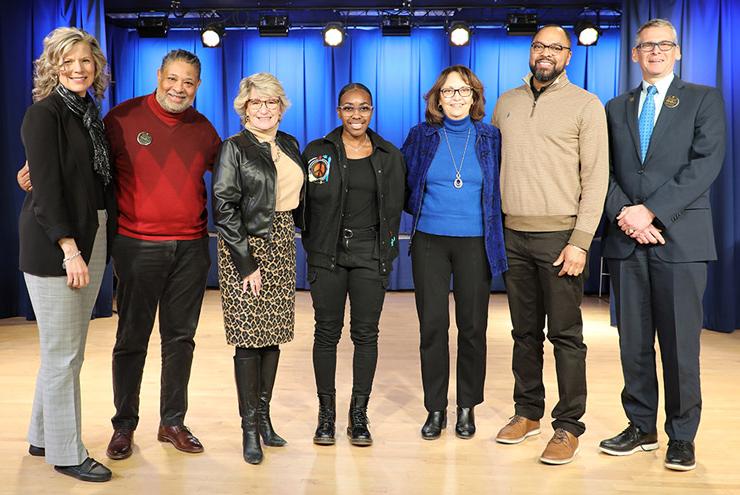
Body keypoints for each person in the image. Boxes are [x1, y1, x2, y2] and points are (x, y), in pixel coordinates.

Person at [599, 19, 725, 472]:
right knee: (632, 343)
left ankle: (682, 436)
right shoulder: (615, 107)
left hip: (680, 240)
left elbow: (705, 164)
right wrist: (625, 214)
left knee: (678, 346)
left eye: (664, 44)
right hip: (626, 239)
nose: (654, 51)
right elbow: (602, 171)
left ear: (677, 52)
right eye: (646, 45)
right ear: (634, 54)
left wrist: (649, 211)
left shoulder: (702, 99)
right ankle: (640, 427)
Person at [491, 25, 608, 465]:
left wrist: (580, 241)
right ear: (530, 51)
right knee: (523, 333)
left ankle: (568, 425)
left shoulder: (586, 105)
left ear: (569, 56)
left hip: (561, 237)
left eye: (556, 47)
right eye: (539, 45)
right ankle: (527, 412)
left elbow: (596, 178)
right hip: (512, 235)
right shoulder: (507, 102)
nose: (546, 53)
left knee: (565, 334)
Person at [103, 50, 221, 459]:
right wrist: (36, 175)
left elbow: (232, 179)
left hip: (191, 247)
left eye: (188, 82)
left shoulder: (204, 129)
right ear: (159, 76)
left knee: (180, 339)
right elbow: (86, 169)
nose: (179, 88)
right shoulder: (122, 119)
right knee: (132, 338)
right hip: (137, 245)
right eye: (173, 79)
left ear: (197, 86)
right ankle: (123, 426)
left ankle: (172, 421)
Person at [19, 27, 117, 482]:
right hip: (58, 244)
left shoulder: (88, 114)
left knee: (66, 351)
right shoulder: (44, 114)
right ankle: (66, 452)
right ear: (52, 67)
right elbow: (48, 191)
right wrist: (69, 249)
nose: (78, 69)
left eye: (85, 61)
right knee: (63, 355)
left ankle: (42, 435)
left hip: (91, 234)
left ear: (96, 66)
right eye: (68, 61)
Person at [402, 66, 507, 441]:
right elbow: (404, 183)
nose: (457, 98)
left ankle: (466, 408)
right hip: (430, 240)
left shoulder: (491, 137)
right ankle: (435, 409)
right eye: (449, 92)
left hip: (476, 242)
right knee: (432, 327)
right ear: (438, 98)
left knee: (473, 328)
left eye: (464, 91)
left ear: (475, 97)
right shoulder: (421, 135)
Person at [300, 83, 406, 447]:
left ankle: (358, 415)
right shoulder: (318, 152)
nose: (356, 115)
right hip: (327, 253)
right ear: (338, 111)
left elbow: (398, 206)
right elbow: (302, 205)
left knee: (366, 335)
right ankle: (326, 415)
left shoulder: (389, 155)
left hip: (369, 253)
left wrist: (387, 249)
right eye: (349, 108)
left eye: (363, 108)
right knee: (326, 333)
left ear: (372, 111)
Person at [212, 73, 305, 465]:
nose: (264, 110)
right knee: (249, 339)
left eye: (271, 103)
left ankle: (265, 419)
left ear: (281, 108)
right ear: (244, 109)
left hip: (283, 241)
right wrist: (246, 262)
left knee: (273, 336)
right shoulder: (233, 148)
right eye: (256, 103)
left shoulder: (289, 144)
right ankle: (249, 429)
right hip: (246, 247)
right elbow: (224, 206)